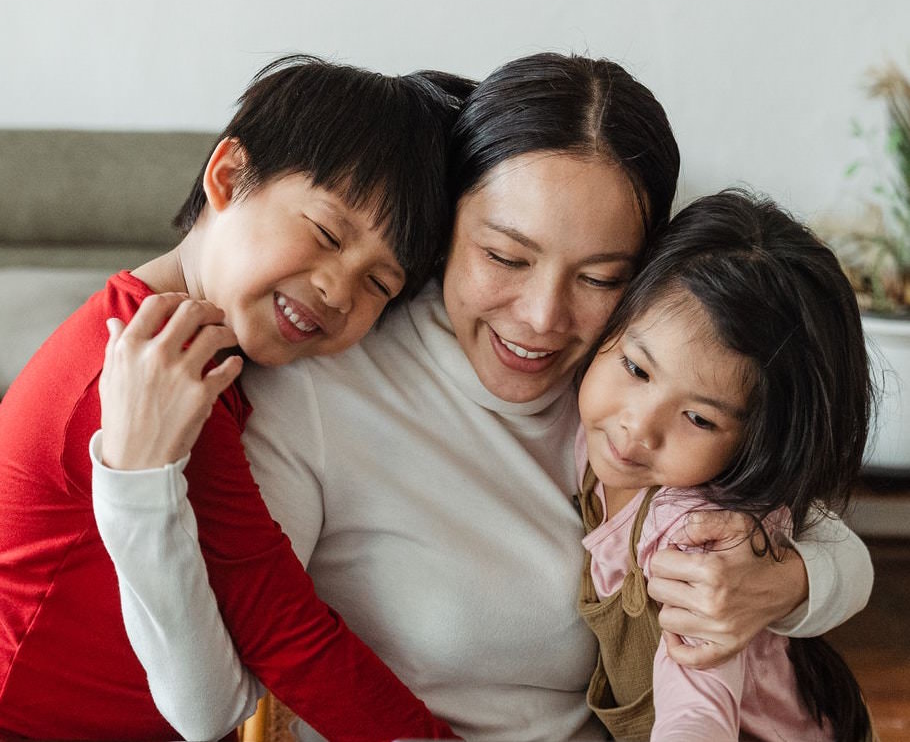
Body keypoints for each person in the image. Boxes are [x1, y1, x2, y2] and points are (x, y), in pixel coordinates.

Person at [92, 53, 873, 741]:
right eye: (505, 256)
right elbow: (210, 703)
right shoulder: (321, 387)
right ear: (444, 227)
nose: (541, 318)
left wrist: (785, 582)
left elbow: (827, 536)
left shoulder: (627, 390)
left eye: (600, 277)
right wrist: (134, 482)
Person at [0, 55, 465, 740]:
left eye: (379, 285)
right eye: (327, 234)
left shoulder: (213, 348)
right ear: (227, 176)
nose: (338, 288)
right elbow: (280, 628)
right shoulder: (153, 366)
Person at [575, 189, 874, 741]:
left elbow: (698, 710)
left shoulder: (695, 531)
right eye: (637, 370)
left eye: (699, 419)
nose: (637, 428)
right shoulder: (589, 442)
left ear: (755, 442)